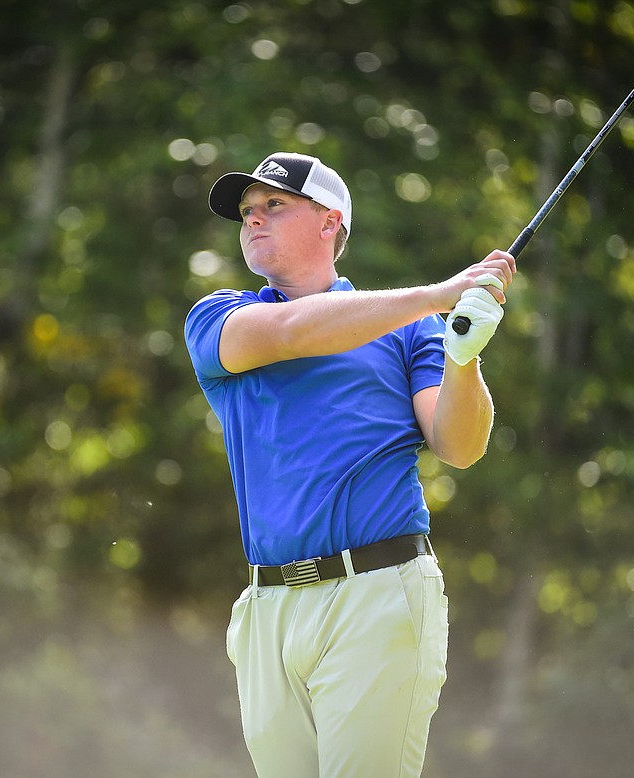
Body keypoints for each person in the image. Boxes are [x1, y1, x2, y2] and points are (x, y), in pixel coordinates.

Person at [183, 151, 516, 777]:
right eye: (247, 212)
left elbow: (461, 446)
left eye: (273, 206)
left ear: (330, 221)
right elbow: (290, 334)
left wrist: (464, 358)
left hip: (378, 592)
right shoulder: (218, 317)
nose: (253, 221)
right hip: (267, 606)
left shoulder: (411, 333)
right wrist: (437, 296)